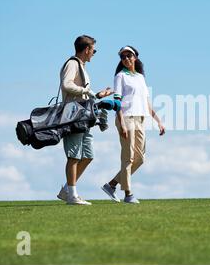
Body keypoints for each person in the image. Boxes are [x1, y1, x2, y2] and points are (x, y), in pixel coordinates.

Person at [101, 45, 165, 204]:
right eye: (123, 57)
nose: (126, 59)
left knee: (140, 159)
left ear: (135, 57)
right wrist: (121, 123)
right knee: (128, 157)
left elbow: (146, 102)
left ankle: (112, 184)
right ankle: (128, 194)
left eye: (129, 55)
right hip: (126, 118)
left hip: (141, 119)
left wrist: (158, 121)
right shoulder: (120, 76)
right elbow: (117, 102)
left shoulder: (141, 77)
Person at [57, 35, 112, 205]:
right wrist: (88, 92)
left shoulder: (81, 67)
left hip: (83, 117)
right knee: (73, 156)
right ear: (87, 49)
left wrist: (96, 94)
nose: (94, 53)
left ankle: (67, 190)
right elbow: (66, 84)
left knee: (88, 155)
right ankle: (72, 195)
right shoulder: (72, 63)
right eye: (93, 50)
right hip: (72, 116)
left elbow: (83, 91)